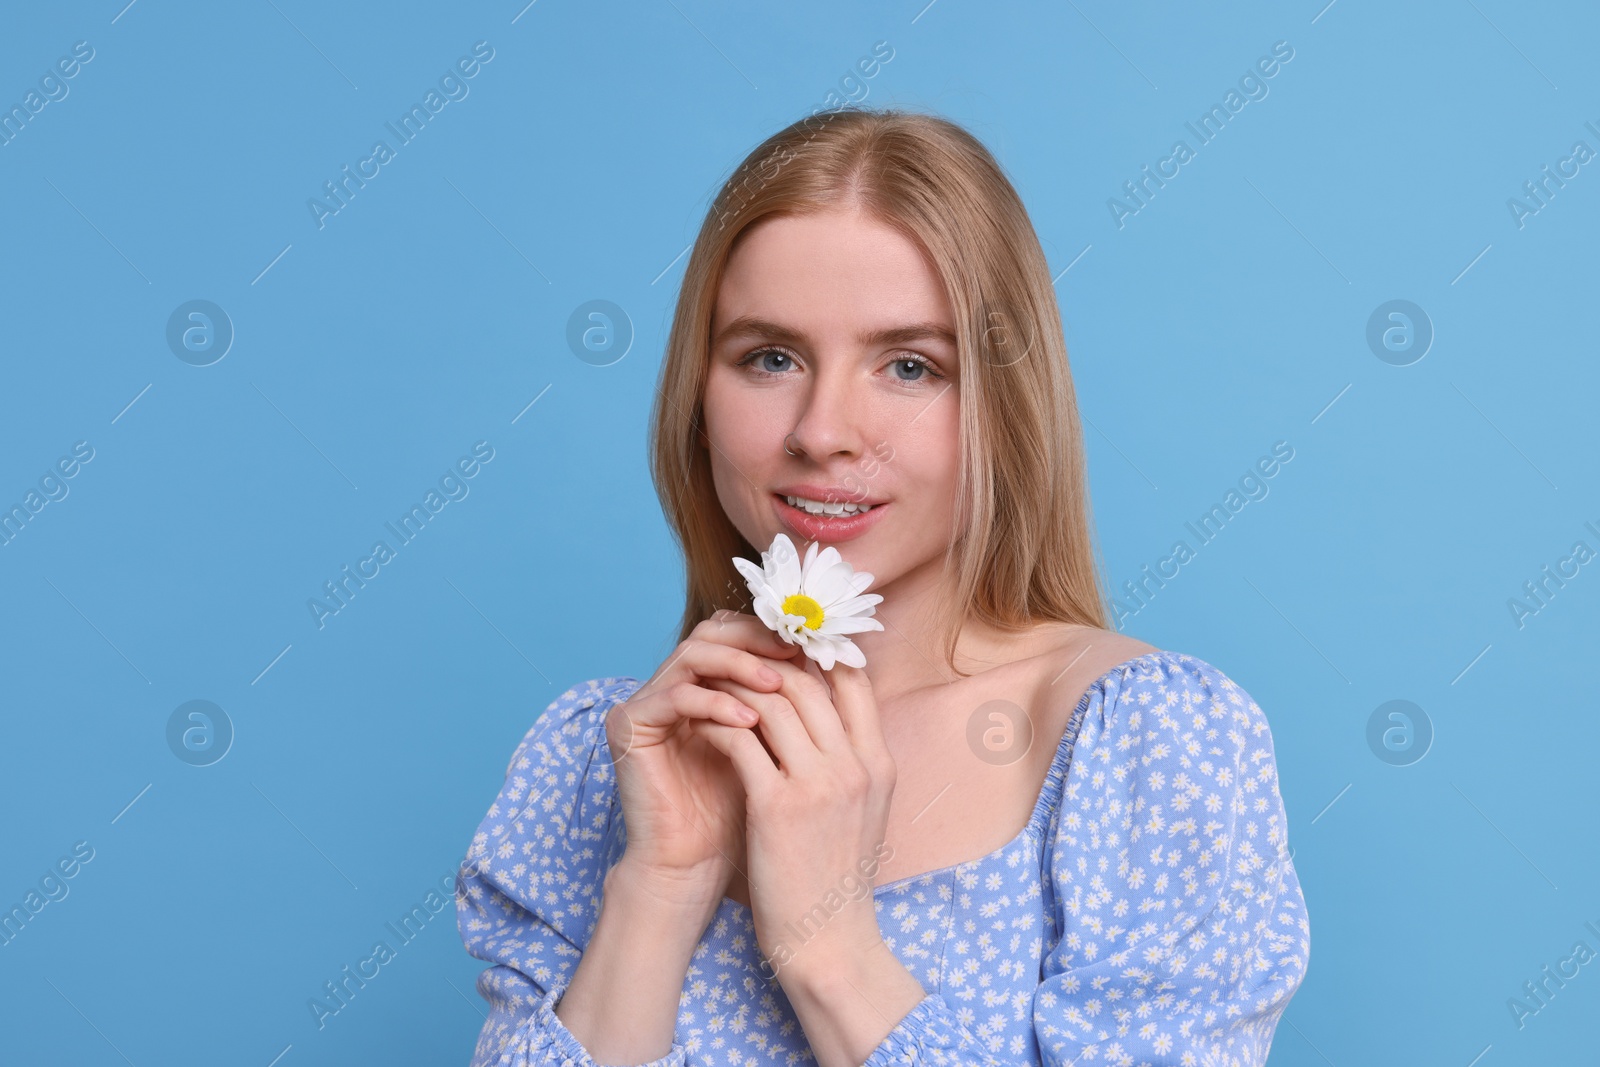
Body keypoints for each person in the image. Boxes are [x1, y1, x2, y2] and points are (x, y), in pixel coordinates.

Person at [455, 106, 1308, 1066]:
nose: (823, 429)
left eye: (909, 366)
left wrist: (828, 945)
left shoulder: (1147, 746)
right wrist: (661, 884)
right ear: (698, 395)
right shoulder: (600, 762)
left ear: (1005, 408)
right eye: (769, 357)